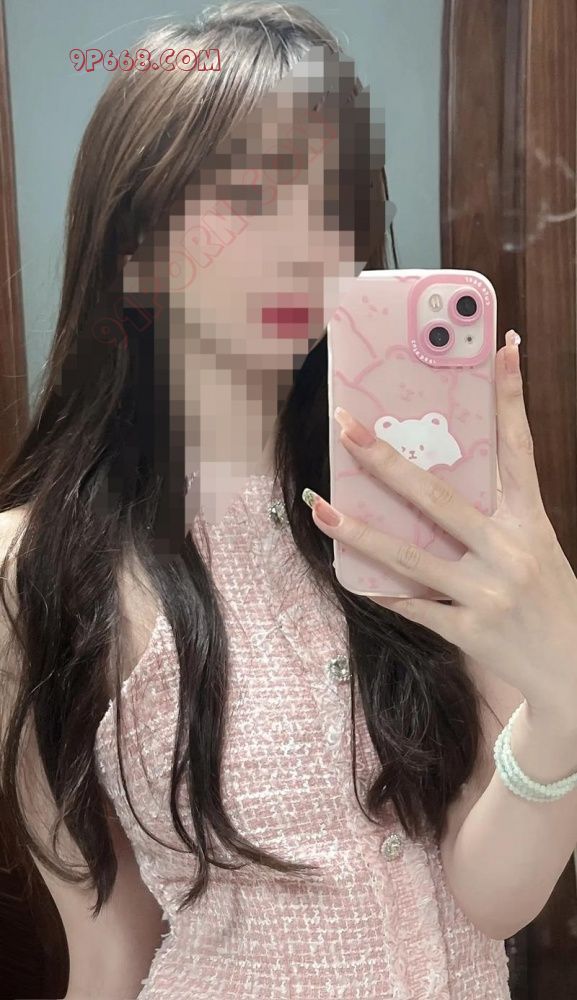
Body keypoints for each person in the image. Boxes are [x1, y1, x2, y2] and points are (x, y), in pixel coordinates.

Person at [5, 3, 577, 998]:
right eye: (248, 193)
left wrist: (564, 698)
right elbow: (109, 951)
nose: (307, 245)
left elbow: (491, 898)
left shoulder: (428, 501)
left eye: (335, 204)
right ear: (134, 245)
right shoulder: (34, 566)